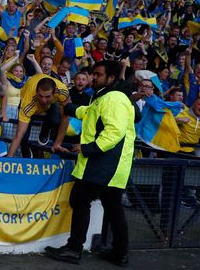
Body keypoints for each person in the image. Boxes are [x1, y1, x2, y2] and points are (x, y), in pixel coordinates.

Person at [45, 61, 135, 267]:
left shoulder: (114, 98)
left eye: (98, 74)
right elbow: (91, 113)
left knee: (79, 199)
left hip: (104, 163)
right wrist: (70, 108)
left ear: (111, 78)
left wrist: (87, 148)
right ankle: (120, 254)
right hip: (113, 164)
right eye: (93, 74)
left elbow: (114, 131)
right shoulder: (106, 96)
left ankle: (74, 249)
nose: (93, 77)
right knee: (113, 207)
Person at [6, 73, 70, 158]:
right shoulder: (28, 102)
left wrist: (58, 143)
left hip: (51, 104)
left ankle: (45, 130)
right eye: (40, 96)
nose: (43, 100)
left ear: (54, 92)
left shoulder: (62, 91)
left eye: (47, 96)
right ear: (36, 92)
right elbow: (19, 133)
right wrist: (9, 158)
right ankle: (27, 155)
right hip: (31, 104)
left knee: (55, 120)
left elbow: (65, 118)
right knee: (23, 137)